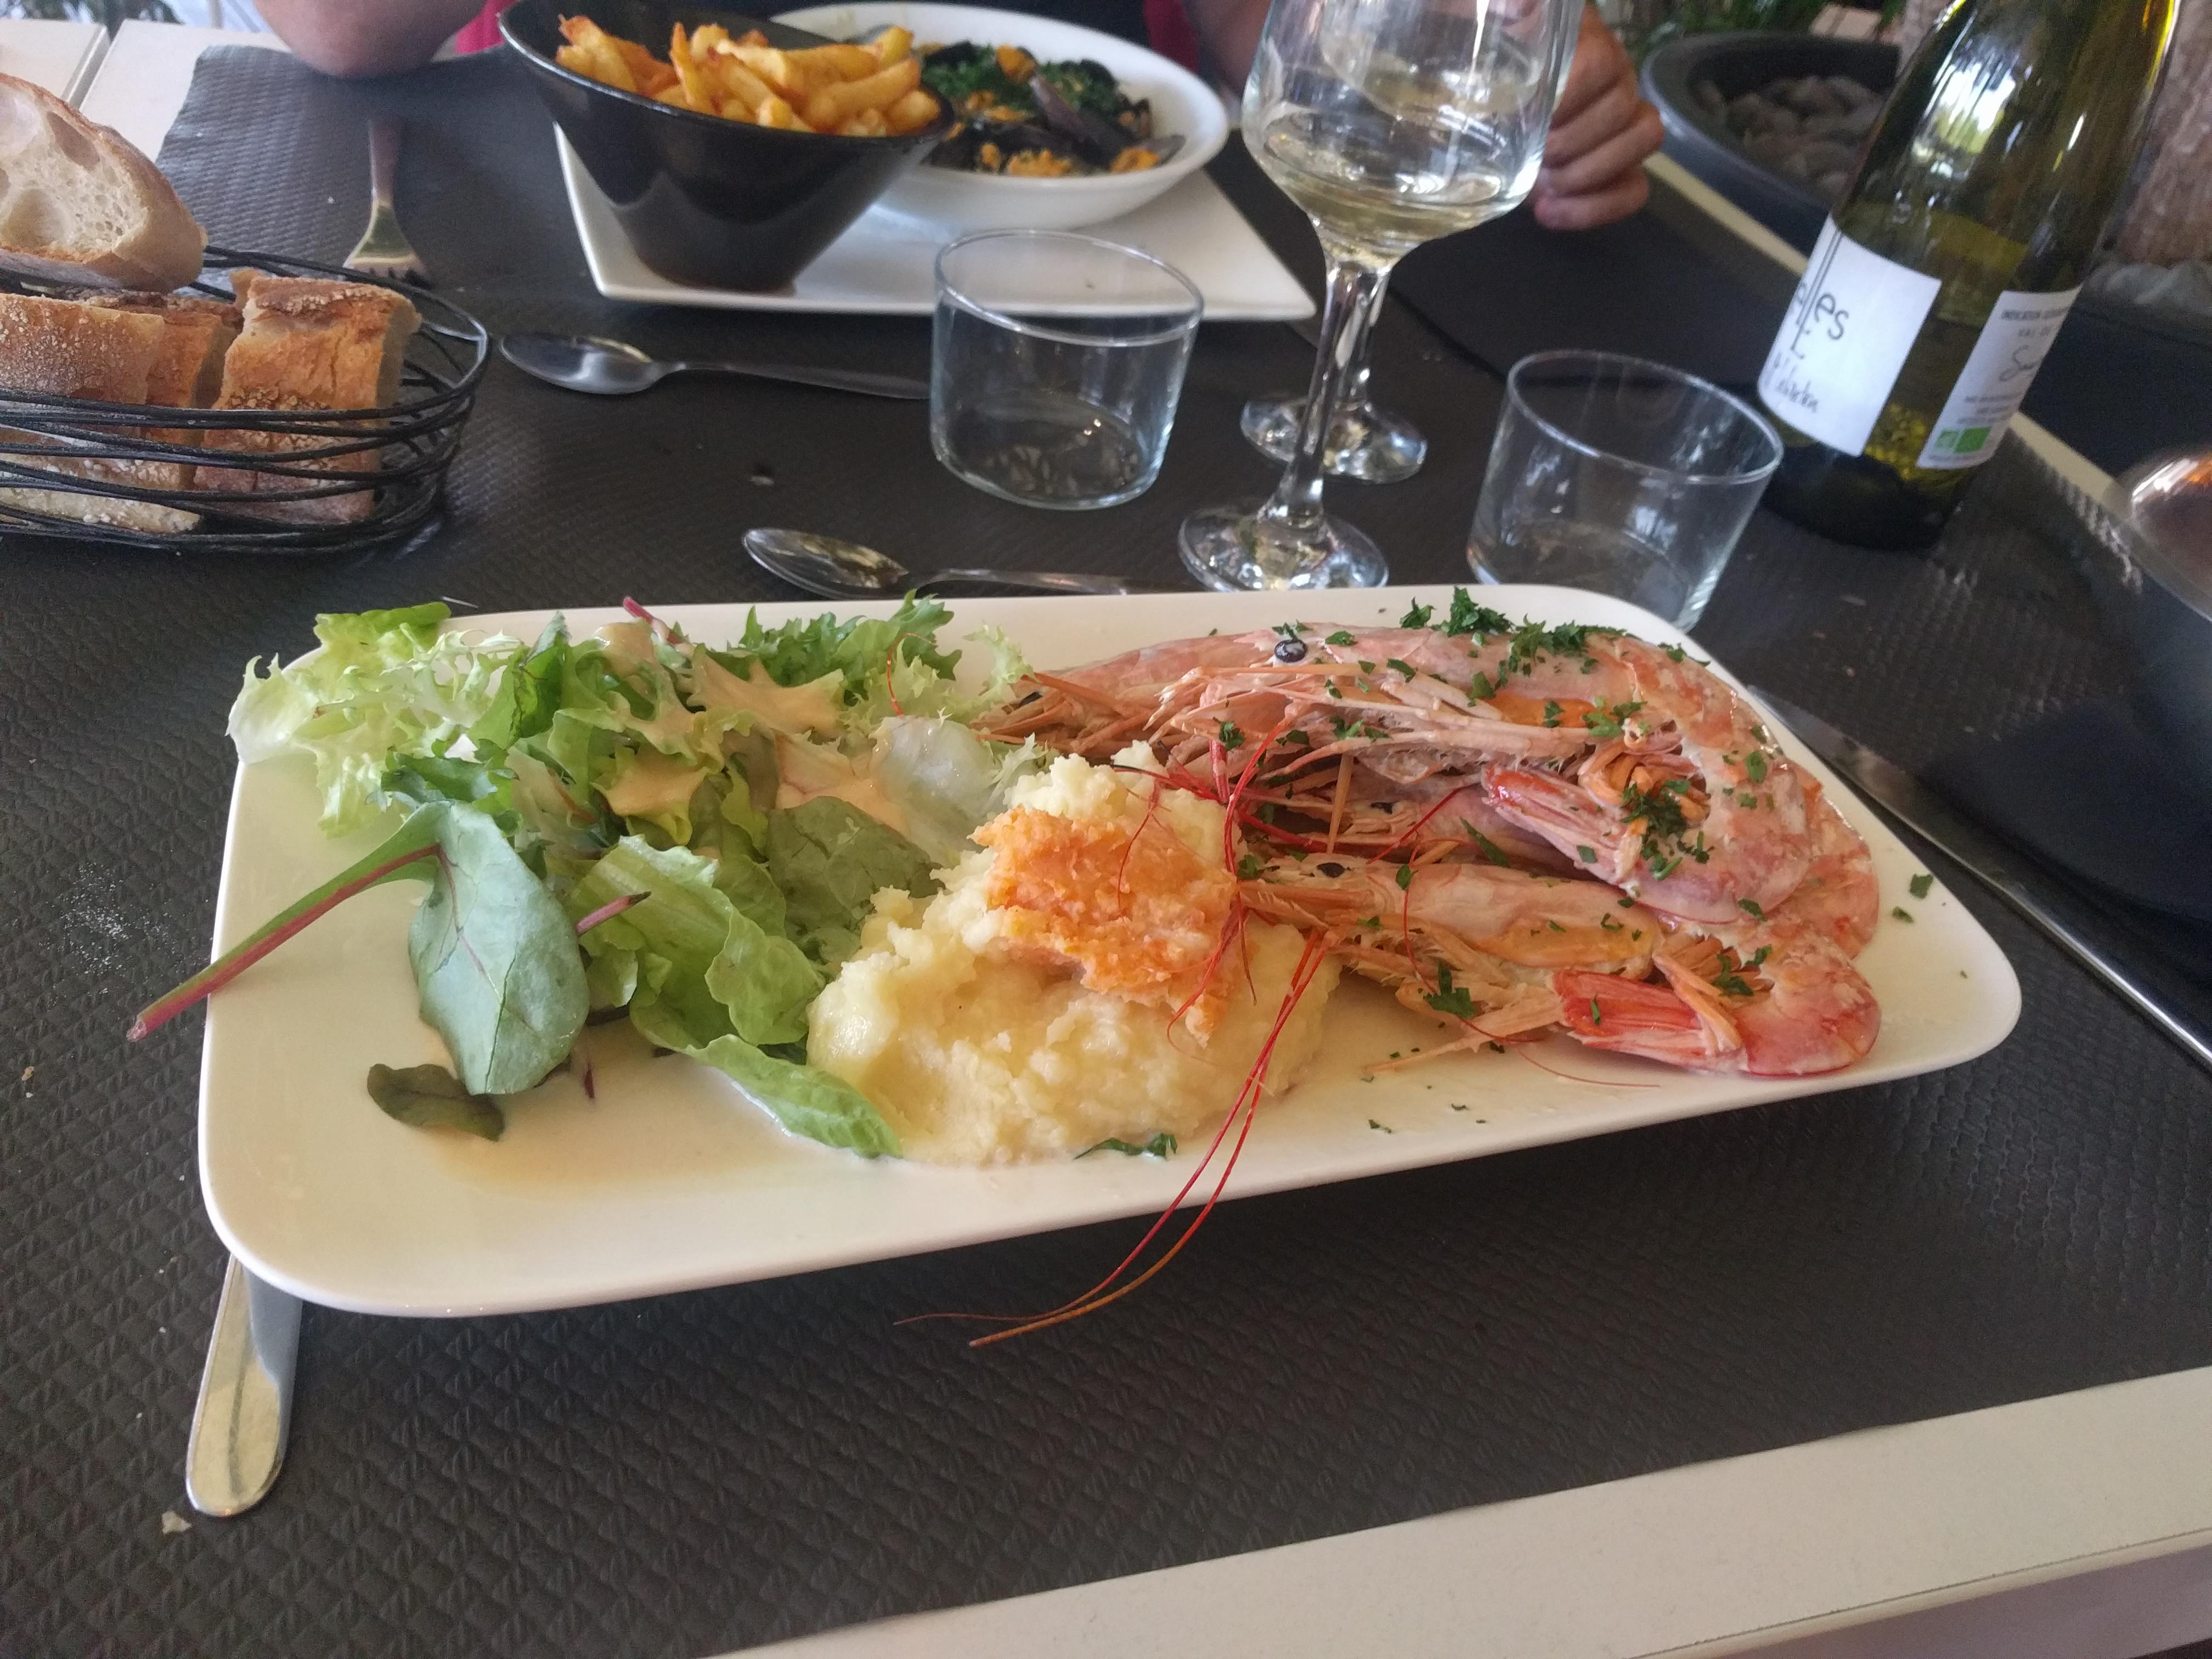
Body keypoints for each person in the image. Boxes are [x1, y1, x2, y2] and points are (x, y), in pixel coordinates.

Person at [255, 0, 1661, 229]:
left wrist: (1463, 45)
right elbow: (340, 32)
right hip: (616, 235)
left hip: (1112, 272)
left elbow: (1261, 32)